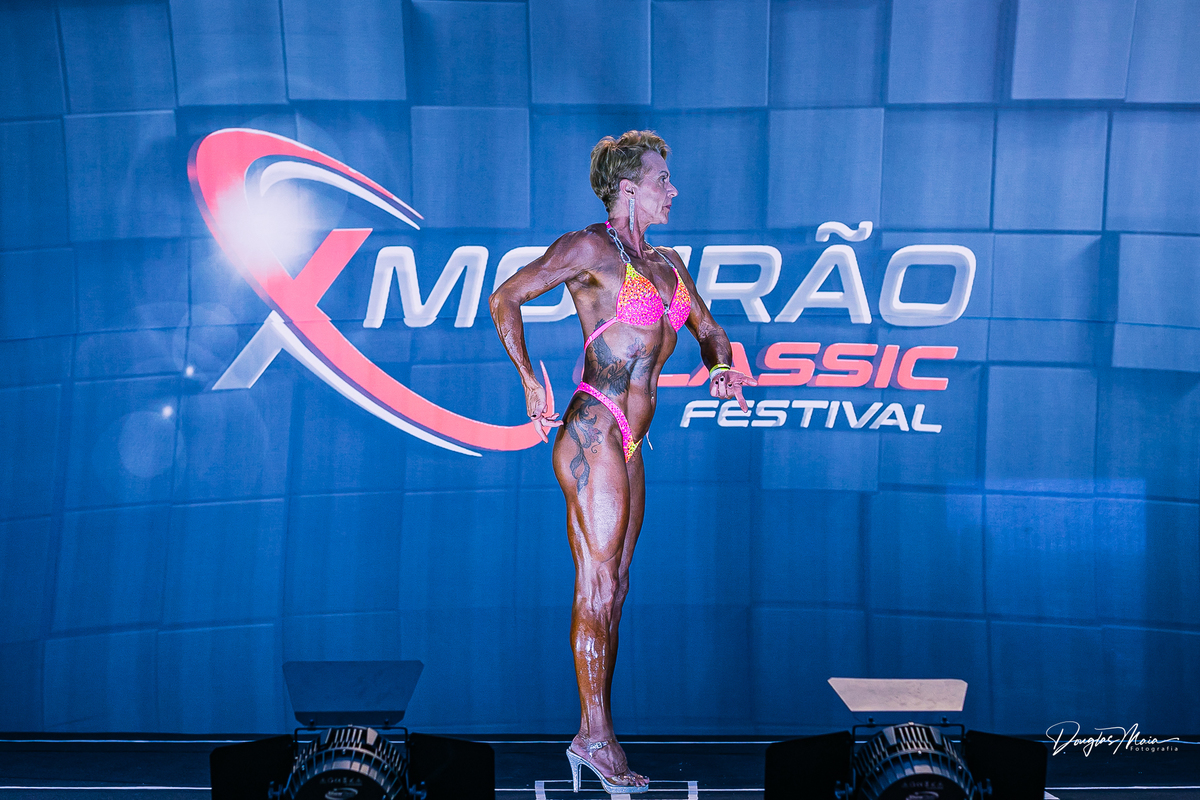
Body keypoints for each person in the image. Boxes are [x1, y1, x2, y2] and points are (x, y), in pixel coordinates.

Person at [489, 130, 755, 794]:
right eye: (663, 180)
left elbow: (710, 330)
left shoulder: (669, 264)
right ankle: (595, 738)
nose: (674, 190)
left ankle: (595, 734)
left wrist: (720, 366)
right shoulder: (589, 249)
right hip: (593, 429)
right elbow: (505, 297)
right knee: (598, 587)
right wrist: (527, 378)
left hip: (632, 443)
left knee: (619, 587)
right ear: (629, 188)